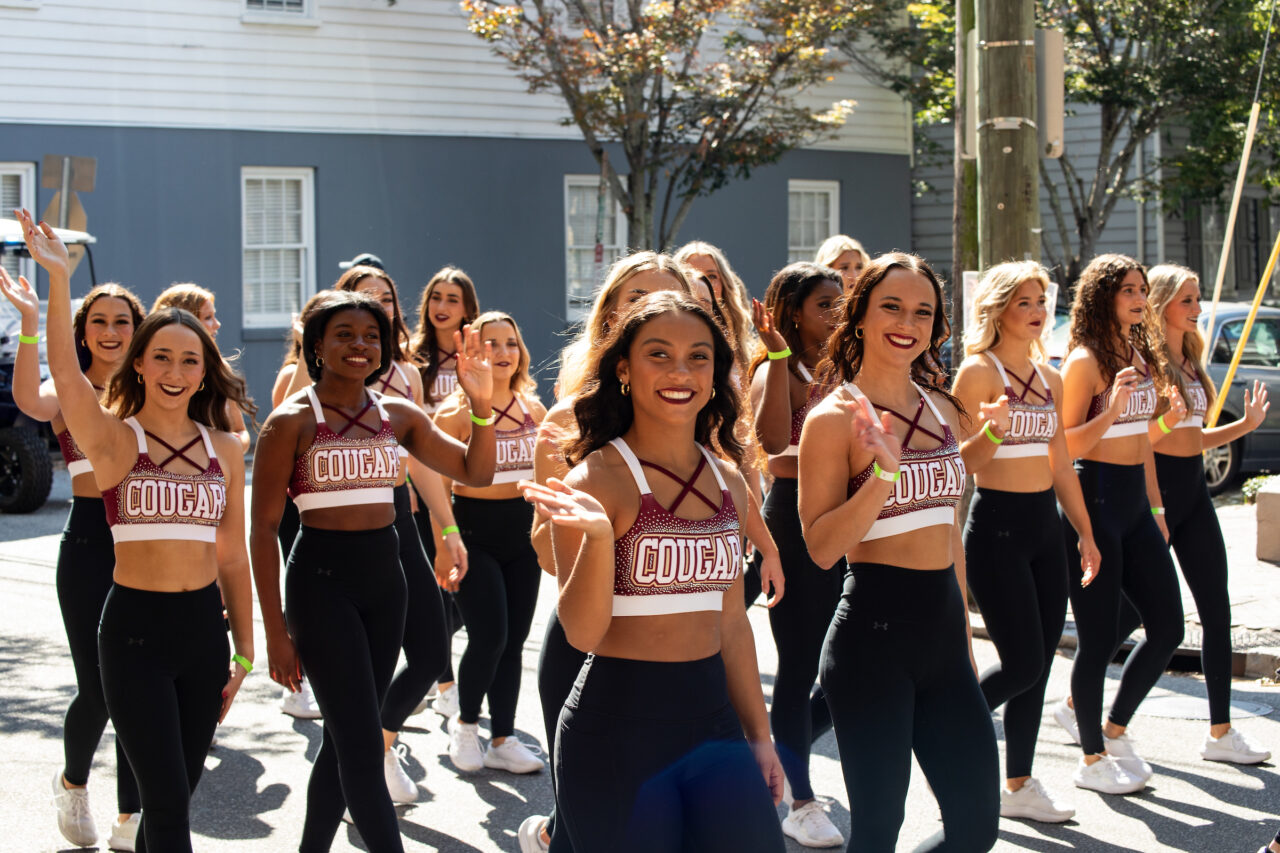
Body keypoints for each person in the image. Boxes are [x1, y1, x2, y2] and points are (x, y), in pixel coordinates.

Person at [17, 208, 256, 853]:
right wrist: (58, 286)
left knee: (167, 807)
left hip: (206, 638)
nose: (176, 373)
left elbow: (233, 557)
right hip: (133, 634)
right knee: (169, 806)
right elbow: (66, 382)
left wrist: (244, 650)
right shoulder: (117, 440)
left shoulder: (226, 449)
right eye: (162, 359)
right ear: (140, 366)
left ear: (204, 371)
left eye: (189, 361)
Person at [522, 290, 787, 853]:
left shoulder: (728, 481)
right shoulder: (595, 481)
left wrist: (760, 737)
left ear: (717, 373)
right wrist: (597, 540)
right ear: (624, 368)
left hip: (713, 725)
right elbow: (584, 634)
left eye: (699, 356)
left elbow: (733, 625)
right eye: (658, 354)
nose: (680, 372)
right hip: (616, 732)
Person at [249, 289, 494, 852]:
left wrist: (480, 406)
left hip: (388, 589)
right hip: (320, 588)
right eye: (344, 335)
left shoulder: (399, 415)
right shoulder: (289, 423)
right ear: (316, 345)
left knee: (346, 740)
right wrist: (276, 632)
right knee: (361, 745)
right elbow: (262, 531)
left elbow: (474, 472)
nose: (360, 345)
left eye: (371, 336)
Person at [799, 252, 999, 852]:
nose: (906, 322)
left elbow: (947, 518)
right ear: (858, 315)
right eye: (891, 305)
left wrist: (961, 623)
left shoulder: (941, 406)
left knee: (975, 831)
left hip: (942, 634)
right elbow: (821, 548)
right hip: (872, 642)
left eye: (922, 311)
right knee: (879, 831)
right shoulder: (833, 419)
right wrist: (882, 476)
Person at [518, 250, 699, 852]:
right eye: (636, 299)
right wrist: (588, 523)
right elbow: (548, 557)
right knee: (589, 829)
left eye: (666, 297)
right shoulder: (568, 420)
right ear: (610, 320)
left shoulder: (699, 412)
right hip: (589, 652)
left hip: (683, 657)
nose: (652, 309)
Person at [951, 261, 1102, 823]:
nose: (1039, 312)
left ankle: (1017, 784)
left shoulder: (1051, 377)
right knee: (1022, 664)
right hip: (996, 529)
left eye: (1042, 301)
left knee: (1037, 667)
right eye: (1024, 302)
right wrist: (991, 428)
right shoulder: (977, 372)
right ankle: (947, 728)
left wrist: (1084, 531)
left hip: (1045, 528)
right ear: (998, 309)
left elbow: (1061, 463)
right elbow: (960, 467)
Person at [0, 268, 145, 851]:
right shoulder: (70, 386)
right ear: (82, 333)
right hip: (88, 546)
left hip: (148, 542)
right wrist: (34, 322)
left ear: (141, 329)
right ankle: (74, 783)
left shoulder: (157, 385)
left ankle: (132, 816)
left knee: (140, 688)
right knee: (101, 689)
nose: (110, 332)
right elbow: (27, 400)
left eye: (122, 321)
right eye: (98, 322)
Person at [1053, 253, 1184, 795]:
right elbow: (1064, 445)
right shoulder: (1083, 360)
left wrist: (1156, 507)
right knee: (1099, 634)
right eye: (1128, 289)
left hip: (1134, 501)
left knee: (1168, 626)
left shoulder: (1137, 352)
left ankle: (1110, 725)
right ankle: (1090, 759)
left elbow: (1143, 444)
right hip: (1095, 496)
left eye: (1141, 288)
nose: (1138, 297)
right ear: (1103, 296)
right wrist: (1114, 408)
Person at [1129, 264, 1269, 762]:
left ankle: (1220, 732)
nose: (1197, 308)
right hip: (1157, 495)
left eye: (1197, 297)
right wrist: (1156, 506)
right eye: (1187, 299)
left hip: (1195, 494)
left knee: (1217, 609)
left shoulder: (1191, 357)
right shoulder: (1145, 362)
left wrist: (1246, 425)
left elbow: (1193, 438)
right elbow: (1141, 441)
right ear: (1162, 302)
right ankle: (1086, 703)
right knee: (1129, 614)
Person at [336, 266, 461, 799]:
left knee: (432, 653)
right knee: (357, 670)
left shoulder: (406, 376)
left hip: (400, 519)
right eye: (364, 296)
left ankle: (378, 746)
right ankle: (355, 776)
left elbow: (421, 460)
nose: (378, 304)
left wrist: (447, 528)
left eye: (386, 297)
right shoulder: (307, 377)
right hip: (338, 530)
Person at [748, 262, 845, 847]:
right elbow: (772, 449)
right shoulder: (776, 368)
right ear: (794, 312)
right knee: (802, 663)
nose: (836, 312)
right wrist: (781, 359)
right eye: (824, 304)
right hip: (795, 521)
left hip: (853, 519)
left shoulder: (851, 367)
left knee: (848, 663)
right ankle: (800, 801)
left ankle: (774, 754)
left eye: (842, 301)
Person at [433, 310, 547, 774]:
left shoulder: (534, 409)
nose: (502, 353)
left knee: (515, 640)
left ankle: (503, 737)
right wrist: (448, 538)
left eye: (510, 343)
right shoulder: (457, 412)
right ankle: (464, 727)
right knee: (490, 636)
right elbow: (436, 483)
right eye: (491, 344)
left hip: (523, 534)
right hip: (474, 532)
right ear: (473, 352)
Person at [409, 265, 480, 717]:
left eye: (453, 299)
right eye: (436, 297)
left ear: (468, 308)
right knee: (433, 587)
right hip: (426, 486)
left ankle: (424, 667)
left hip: (473, 487)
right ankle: (442, 682)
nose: (442, 306)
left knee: (467, 593)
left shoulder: (478, 355)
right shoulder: (412, 358)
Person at [151, 283, 251, 452]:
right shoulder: (156, 371)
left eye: (215, 316)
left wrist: (233, 444)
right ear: (185, 320)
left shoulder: (220, 367)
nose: (217, 324)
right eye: (208, 317)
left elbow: (241, 431)